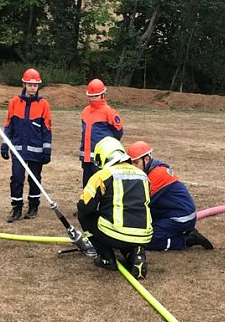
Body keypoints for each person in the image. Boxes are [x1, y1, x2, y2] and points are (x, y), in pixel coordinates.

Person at [77, 137, 152, 279]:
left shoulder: (103, 175)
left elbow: (85, 208)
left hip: (116, 234)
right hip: (144, 236)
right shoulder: (143, 176)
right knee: (128, 226)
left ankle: (106, 258)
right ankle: (135, 253)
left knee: (85, 217)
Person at [126, 141, 213, 251]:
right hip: (172, 213)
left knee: (146, 240)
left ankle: (188, 240)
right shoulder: (152, 170)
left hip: (180, 217)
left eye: (136, 163)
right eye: (131, 164)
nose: (133, 167)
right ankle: (182, 232)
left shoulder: (156, 175)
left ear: (146, 159)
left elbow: (140, 202)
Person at [0, 68, 52, 222]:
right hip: (18, 150)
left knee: (35, 179)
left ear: (38, 86)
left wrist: (47, 150)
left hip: (36, 151)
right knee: (16, 178)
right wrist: (5, 145)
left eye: (35, 85)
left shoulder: (43, 104)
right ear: (24, 84)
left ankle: (33, 206)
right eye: (29, 84)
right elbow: (9, 126)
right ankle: (16, 208)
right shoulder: (14, 103)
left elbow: (47, 129)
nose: (32, 88)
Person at [79, 78, 123, 186]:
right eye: (91, 96)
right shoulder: (85, 111)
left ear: (102, 95)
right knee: (88, 186)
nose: (93, 98)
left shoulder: (109, 112)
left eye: (96, 96)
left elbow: (118, 132)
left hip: (102, 159)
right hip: (87, 158)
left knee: (102, 186)